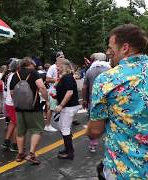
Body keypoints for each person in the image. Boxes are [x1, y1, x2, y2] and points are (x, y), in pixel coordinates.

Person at [87, 24, 148, 179]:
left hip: (124, 170)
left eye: (110, 47)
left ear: (125, 47)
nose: (108, 52)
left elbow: (95, 131)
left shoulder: (107, 79)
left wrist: (88, 130)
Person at [10, 57, 48, 165]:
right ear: (30, 64)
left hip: (19, 108)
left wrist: (17, 102)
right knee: (37, 130)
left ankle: (20, 154)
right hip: (33, 107)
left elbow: (12, 92)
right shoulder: (34, 73)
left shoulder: (15, 75)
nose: (35, 65)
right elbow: (42, 87)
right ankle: (31, 154)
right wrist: (47, 99)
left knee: (20, 131)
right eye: (33, 64)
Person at [81, 52, 110, 153]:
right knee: (109, 121)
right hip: (108, 100)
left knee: (93, 122)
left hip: (94, 101)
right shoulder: (110, 70)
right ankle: (108, 140)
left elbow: (84, 87)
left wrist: (84, 100)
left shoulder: (90, 70)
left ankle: (93, 144)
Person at [54, 59, 80, 160]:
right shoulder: (65, 77)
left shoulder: (68, 78)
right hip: (68, 106)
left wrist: (61, 105)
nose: (57, 68)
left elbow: (69, 93)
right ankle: (68, 148)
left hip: (69, 106)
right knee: (62, 126)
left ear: (64, 67)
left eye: (59, 66)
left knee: (64, 128)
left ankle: (69, 153)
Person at [1, 59, 20, 152]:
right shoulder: (16, 76)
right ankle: (14, 144)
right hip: (13, 103)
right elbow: (14, 92)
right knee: (17, 124)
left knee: (13, 122)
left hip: (9, 102)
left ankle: (6, 141)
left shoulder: (10, 75)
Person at [45, 52, 65, 132]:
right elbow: (47, 79)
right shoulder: (52, 67)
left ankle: (61, 125)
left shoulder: (63, 67)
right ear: (56, 58)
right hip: (53, 90)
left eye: (63, 57)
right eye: (61, 57)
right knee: (51, 108)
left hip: (61, 90)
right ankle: (47, 125)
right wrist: (57, 79)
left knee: (61, 107)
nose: (63, 58)